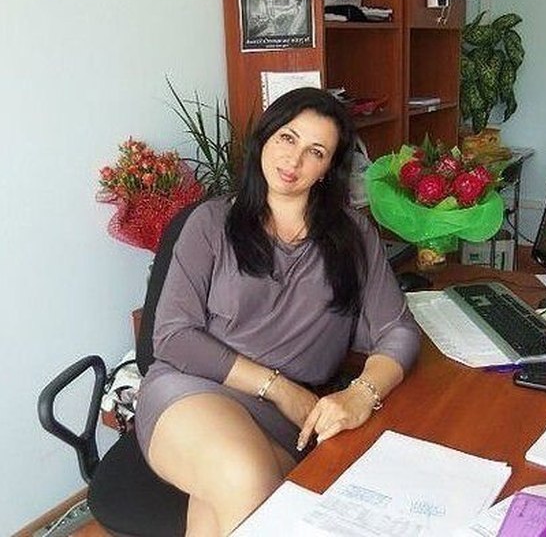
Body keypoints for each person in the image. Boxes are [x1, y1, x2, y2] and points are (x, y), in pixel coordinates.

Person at [135, 87, 421, 536]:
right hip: (193, 391)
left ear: (329, 168)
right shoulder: (211, 223)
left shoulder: (353, 236)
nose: (294, 160)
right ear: (265, 139)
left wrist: (361, 394)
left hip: (289, 422)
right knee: (245, 479)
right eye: (288, 138)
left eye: (316, 152)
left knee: (233, 507)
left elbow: (398, 330)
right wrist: (279, 388)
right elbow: (173, 337)